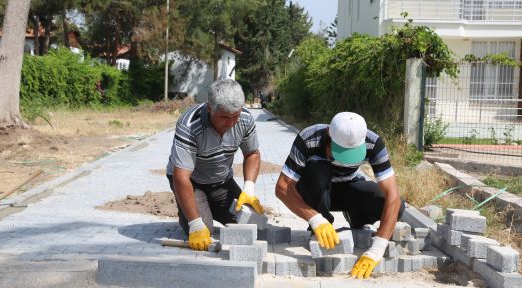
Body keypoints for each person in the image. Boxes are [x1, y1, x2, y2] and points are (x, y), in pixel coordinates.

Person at [275, 111, 405, 279]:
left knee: (397, 206)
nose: (346, 160)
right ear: (329, 133)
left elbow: (392, 196)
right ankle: (321, 227)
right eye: (341, 152)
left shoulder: (373, 143)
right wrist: (314, 218)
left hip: (347, 186)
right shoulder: (310, 138)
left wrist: (377, 248)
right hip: (316, 189)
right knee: (318, 170)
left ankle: (357, 218)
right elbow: (282, 187)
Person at [166, 79, 264, 251]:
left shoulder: (245, 119)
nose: (231, 123)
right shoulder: (189, 125)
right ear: (210, 108)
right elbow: (181, 177)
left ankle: (207, 206)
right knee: (204, 229)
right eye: (225, 117)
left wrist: (248, 189)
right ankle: (192, 210)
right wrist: (195, 224)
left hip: (221, 181)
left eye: (236, 116)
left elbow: (252, 154)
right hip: (191, 183)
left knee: (251, 223)